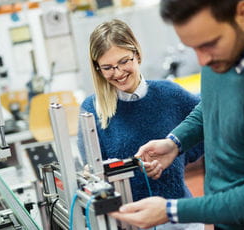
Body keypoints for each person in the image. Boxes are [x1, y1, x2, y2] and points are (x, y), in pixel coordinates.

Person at [111, 1, 244, 230]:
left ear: (243, 13)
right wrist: (176, 142)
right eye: (194, 48)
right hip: (228, 219)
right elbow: (212, 104)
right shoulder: (224, 48)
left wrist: (172, 211)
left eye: (208, 45)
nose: (202, 61)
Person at [77, 19, 204, 229]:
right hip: (129, 222)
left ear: (136, 53)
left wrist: (176, 153)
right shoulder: (92, 109)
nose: (117, 73)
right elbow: (94, 171)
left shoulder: (170, 93)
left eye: (124, 61)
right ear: (97, 68)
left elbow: (206, 127)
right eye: (107, 67)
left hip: (178, 218)